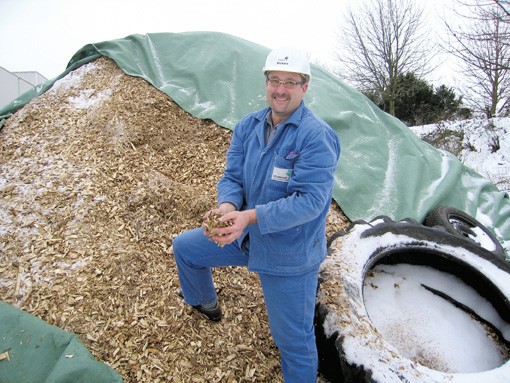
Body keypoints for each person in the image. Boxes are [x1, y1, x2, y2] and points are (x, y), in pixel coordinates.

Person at [172, 46, 341, 382]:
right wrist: (227, 208)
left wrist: (249, 217)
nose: (280, 89)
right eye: (274, 80)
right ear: (266, 82)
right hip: (245, 235)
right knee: (186, 248)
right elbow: (232, 177)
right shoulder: (248, 126)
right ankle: (205, 303)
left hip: (289, 252)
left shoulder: (315, 136)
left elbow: (309, 201)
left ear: (304, 87)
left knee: (292, 339)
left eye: (290, 82)